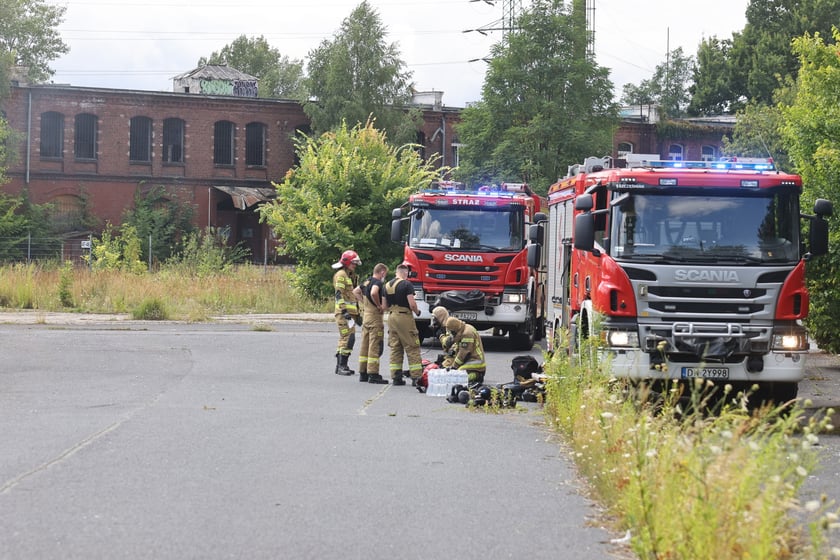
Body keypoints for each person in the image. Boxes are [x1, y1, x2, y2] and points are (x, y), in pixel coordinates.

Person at [384, 262, 422, 385]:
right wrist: (417, 311)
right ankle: (416, 378)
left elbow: (384, 306)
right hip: (404, 316)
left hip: (391, 316)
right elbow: (412, 303)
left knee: (396, 347)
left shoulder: (387, 285)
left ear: (396, 272)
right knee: (412, 346)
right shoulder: (407, 284)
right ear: (406, 273)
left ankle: (396, 377)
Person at [353, 262, 389, 384]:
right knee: (374, 345)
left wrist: (363, 301)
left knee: (365, 345)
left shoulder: (366, 281)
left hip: (366, 316)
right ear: (382, 272)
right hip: (375, 317)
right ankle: (373, 374)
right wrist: (378, 305)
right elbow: (374, 292)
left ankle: (363, 373)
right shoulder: (377, 283)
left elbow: (355, 291)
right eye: (385, 274)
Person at [332, 250, 362, 376]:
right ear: (347, 262)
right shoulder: (341, 275)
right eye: (353, 263)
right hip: (343, 313)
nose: (355, 265)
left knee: (347, 338)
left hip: (351, 314)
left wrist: (358, 314)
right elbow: (339, 295)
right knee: (348, 338)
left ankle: (341, 364)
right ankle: (341, 366)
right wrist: (344, 311)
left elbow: (353, 296)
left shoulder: (351, 275)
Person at [444, 316, 487, 386]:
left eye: (451, 332)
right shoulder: (462, 329)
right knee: (449, 369)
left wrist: (454, 367)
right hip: (468, 359)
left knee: (459, 375)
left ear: (455, 329)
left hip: (476, 361)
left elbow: (463, 353)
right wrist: (453, 350)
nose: (451, 334)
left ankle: (477, 376)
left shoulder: (467, 333)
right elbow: (459, 346)